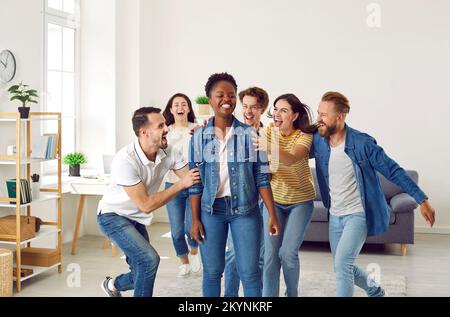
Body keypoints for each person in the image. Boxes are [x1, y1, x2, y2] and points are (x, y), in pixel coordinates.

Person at [312, 91, 436, 297]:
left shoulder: (362, 143)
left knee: (343, 264)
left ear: (340, 117)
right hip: (335, 215)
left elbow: (393, 170)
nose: (319, 119)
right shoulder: (318, 139)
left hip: (358, 214)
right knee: (342, 266)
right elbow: (293, 149)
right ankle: (375, 290)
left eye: (324, 114)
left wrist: (422, 199)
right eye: (318, 113)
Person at [189, 73, 281, 297]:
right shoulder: (199, 136)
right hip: (211, 211)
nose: (226, 99)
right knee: (212, 272)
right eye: (219, 95)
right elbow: (195, 182)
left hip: (246, 211)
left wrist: (272, 214)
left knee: (249, 273)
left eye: (231, 95)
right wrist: (194, 218)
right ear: (209, 99)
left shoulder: (251, 134)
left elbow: (262, 177)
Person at [97, 107, 200, 297]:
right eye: (160, 125)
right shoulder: (125, 160)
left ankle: (112, 285)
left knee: (142, 270)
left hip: (136, 219)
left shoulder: (168, 150)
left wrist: (205, 138)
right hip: (113, 217)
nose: (167, 129)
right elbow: (146, 204)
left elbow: (192, 178)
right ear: (144, 132)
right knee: (149, 260)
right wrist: (180, 185)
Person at [254, 94, 317, 297]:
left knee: (287, 254)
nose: (277, 114)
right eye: (275, 109)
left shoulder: (304, 136)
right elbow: (264, 165)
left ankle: (292, 294)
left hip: (301, 201)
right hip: (274, 201)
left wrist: (268, 147)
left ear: (295, 115)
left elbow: (291, 159)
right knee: (270, 255)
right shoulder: (269, 131)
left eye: (284, 110)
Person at [224, 87, 270, 297]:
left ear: (262, 109)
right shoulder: (230, 131)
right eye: (245, 106)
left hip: (261, 203)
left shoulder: (269, 135)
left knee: (259, 256)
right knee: (233, 254)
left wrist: (266, 148)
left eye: (254, 107)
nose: (248, 111)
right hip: (238, 202)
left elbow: (272, 172)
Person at [162, 93, 201, 277]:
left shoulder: (197, 129)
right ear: (171, 109)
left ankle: (194, 251)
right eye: (176, 104)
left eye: (184, 104)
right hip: (173, 184)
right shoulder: (165, 132)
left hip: (193, 183)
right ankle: (183, 261)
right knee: (177, 231)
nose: (180, 107)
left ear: (188, 108)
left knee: (189, 227)